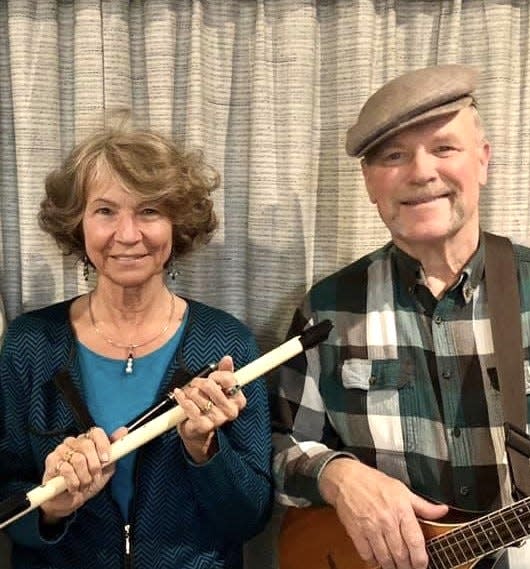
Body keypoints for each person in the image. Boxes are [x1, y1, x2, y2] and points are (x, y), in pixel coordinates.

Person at [272, 64, 530, 569]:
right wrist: (338, 476)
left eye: (444, 148)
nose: (420, 172)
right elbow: (276, 445)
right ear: (370, 182)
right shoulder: (328, 307)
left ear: (483, 160)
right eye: (394, 156)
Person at [0, 120, 272, 568]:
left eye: (149, 211)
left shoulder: (226, 343)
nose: (127, 234)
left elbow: (250, 517)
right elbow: (6, 499)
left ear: (177, 223)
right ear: (78, 224)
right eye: (105, 211)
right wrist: (52, 507)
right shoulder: (31, 344)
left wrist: (205, 452)